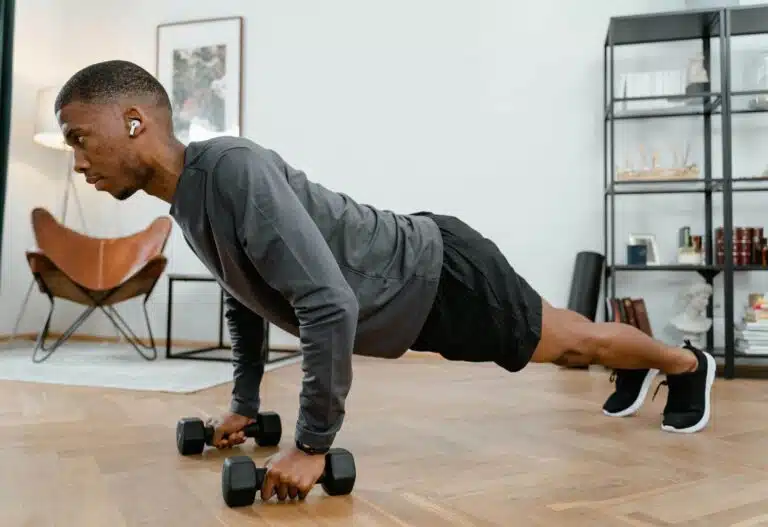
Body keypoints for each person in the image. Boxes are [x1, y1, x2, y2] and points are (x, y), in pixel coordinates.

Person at [53, 60, 716, 501]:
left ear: (135, 121)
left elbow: (328, 303)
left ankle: (686, 364)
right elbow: (246, 303)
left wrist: (313, 444)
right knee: (575, 340)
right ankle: (639, 370)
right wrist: (246, 405)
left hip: (440, 274)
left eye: (81, 138)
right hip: (421, 280)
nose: (79, 161)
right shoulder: (193, 200)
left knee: (574, 345)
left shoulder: (230, 169)